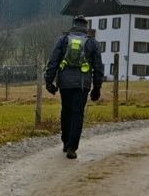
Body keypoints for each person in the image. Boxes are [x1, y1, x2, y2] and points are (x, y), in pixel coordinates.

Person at [44, 15, 104, 159]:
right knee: (77, 113)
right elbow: (98, 67)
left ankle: (65, 141)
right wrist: (97, 87)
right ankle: (72, 147)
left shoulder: (63, 40)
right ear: (86, 27)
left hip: (65, 83)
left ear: (73, 25)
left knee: (66, 111)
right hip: (82, 84)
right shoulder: (92, 43)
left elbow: (53, 61)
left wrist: (49, 81)